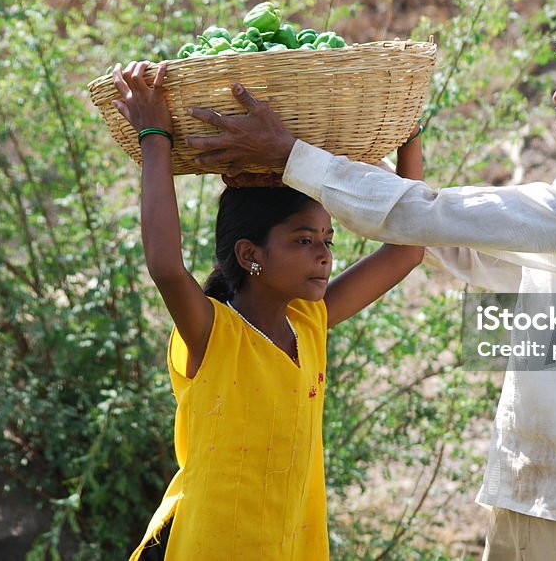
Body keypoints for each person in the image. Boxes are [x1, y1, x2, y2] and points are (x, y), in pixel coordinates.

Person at [181, 0, 556, 560]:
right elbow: (456, 241)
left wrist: (298, 157)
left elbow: (438, 216)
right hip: (545, 495)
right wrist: (358, 166)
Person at [111, 61, 425, 561]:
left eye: (327, 239)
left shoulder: (308, 324)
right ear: (250, 254)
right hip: (211, 544)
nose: (324, 255)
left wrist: (409, 134)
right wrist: (155, 137)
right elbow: (166, 265)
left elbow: (407, 251)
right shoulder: (215, 333)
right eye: (303, 240)